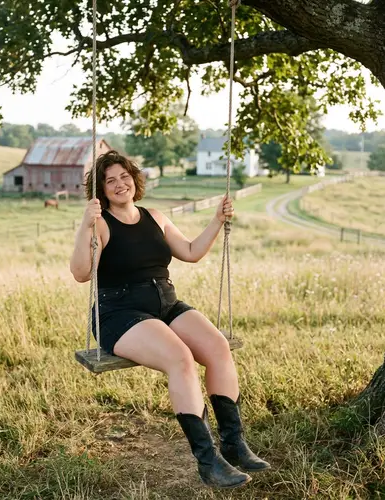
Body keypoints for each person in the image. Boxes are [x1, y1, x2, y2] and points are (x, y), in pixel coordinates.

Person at [70, 151, 270, 489]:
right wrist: (84, 225)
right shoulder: (101, 224)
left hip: (165, 302)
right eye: (110, 180)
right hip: (119, 313)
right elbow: (80, 273)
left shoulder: (156, 217)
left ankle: (234, 445)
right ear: (101, 190)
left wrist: (217, 221)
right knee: (180, 359)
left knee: (218, 347)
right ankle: (208, 461)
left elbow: (191, 252)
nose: (120, 184)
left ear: (134, 178)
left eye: (124, 176)